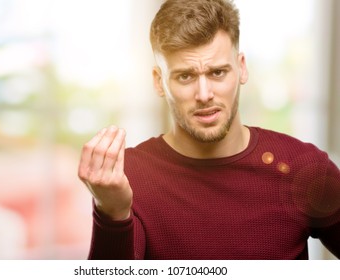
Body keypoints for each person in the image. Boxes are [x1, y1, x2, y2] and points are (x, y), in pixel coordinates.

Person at [78, 0, 340, 260]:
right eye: (185, 76)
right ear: (159, 82)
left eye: (217, 73)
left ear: (241, 68)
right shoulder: (128, 179)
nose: (204, 95)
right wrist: (112, 213)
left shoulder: (303, 169)